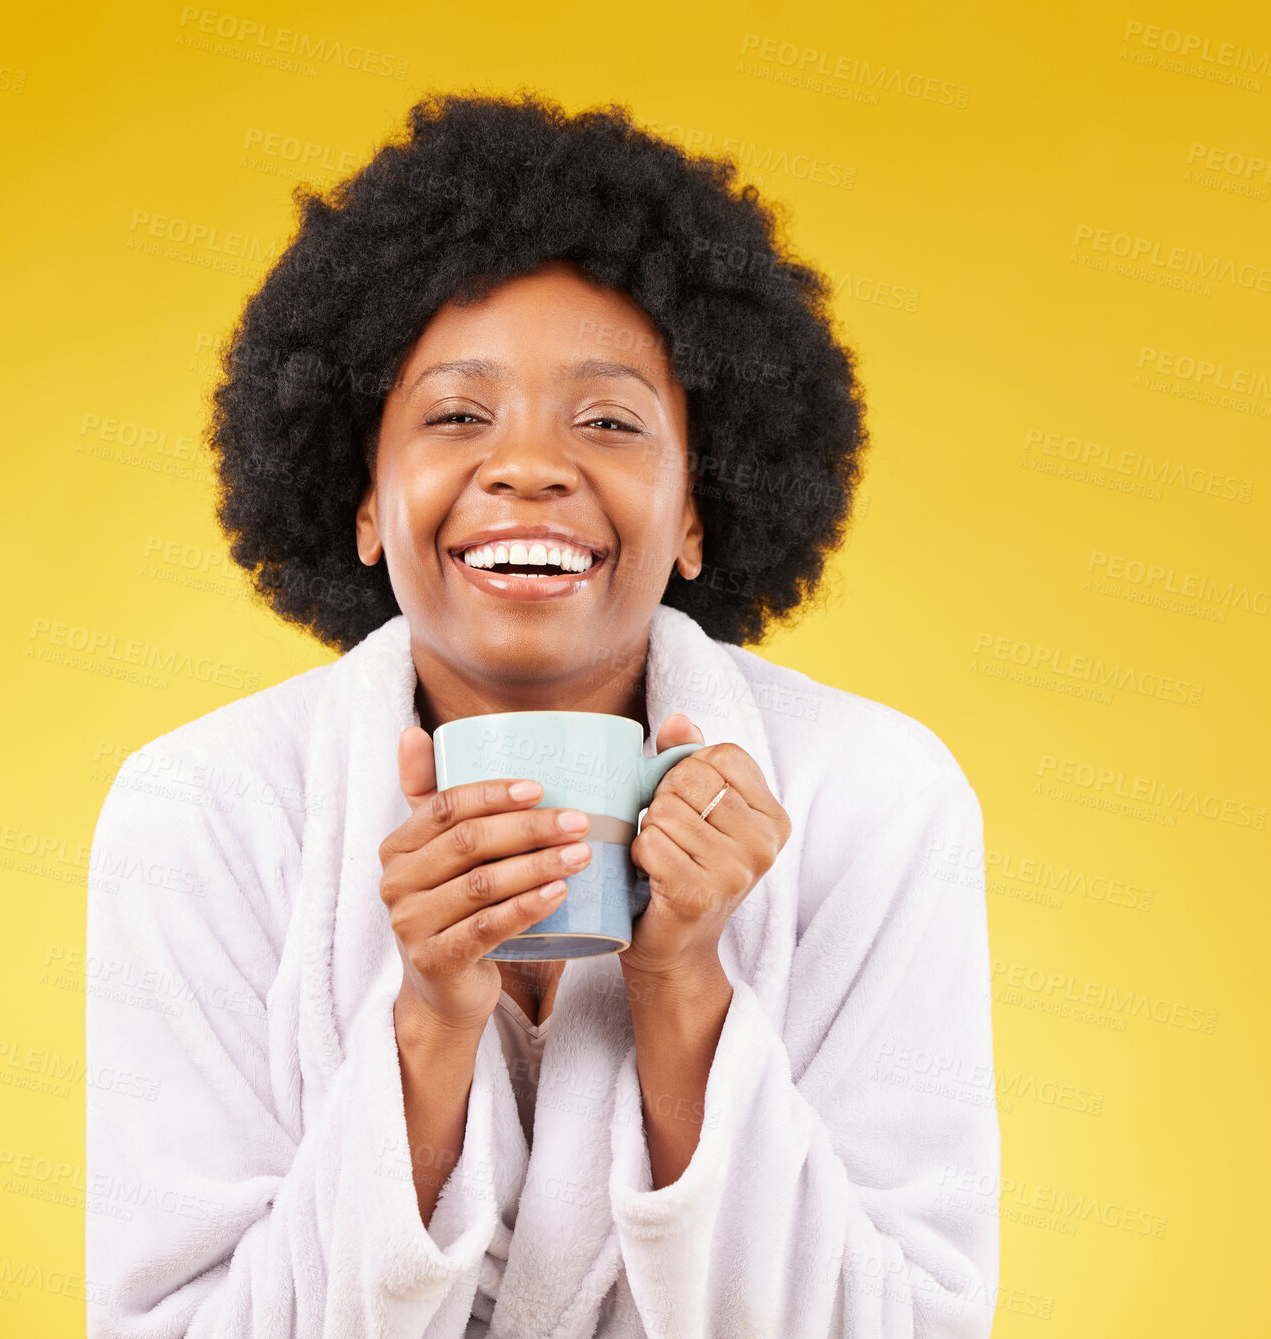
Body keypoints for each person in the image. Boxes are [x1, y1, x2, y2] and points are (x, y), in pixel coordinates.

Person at [86, 91, 999, 1338]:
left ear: (695, 510)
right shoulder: (203, 809)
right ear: (362, 500)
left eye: (609, 421)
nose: (527, 465)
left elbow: (905, 1327)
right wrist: (426, 1030)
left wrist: (684, 990)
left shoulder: (876, 798)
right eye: (456, 415)